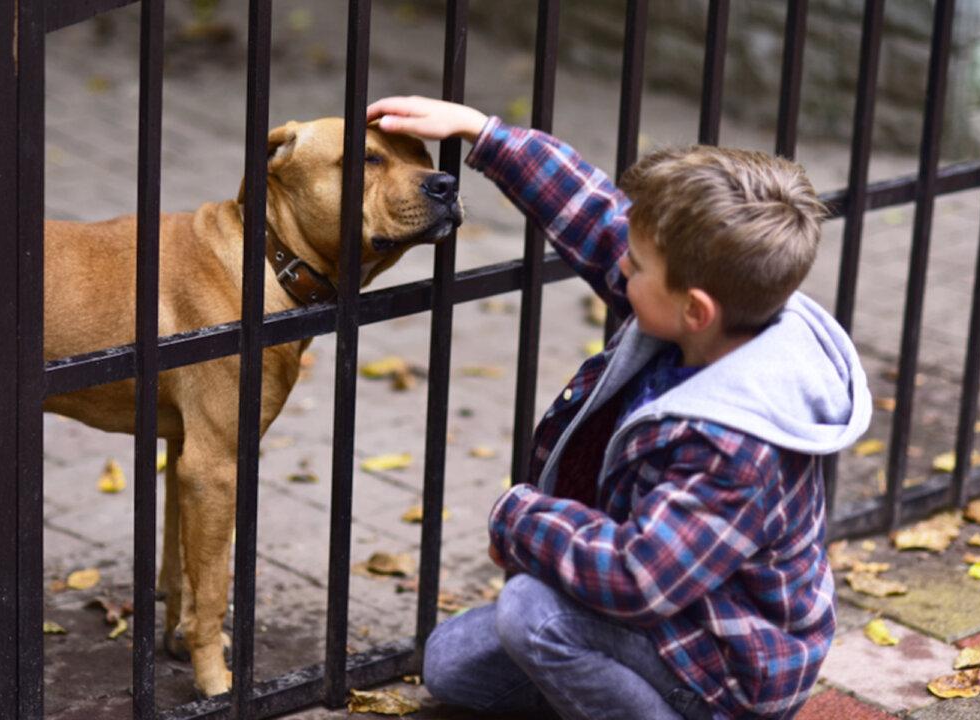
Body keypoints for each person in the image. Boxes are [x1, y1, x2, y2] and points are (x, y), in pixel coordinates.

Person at [366, 96, 872, 720]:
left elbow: (639, 578)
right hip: (674, 617)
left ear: (695, 309)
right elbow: (600, 217)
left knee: (531, 612)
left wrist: (519, 518)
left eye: (634, 268)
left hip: (730, 670)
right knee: (451, 661)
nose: (619, 266)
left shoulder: (733, 442)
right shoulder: (713, 313)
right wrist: (482, 133)